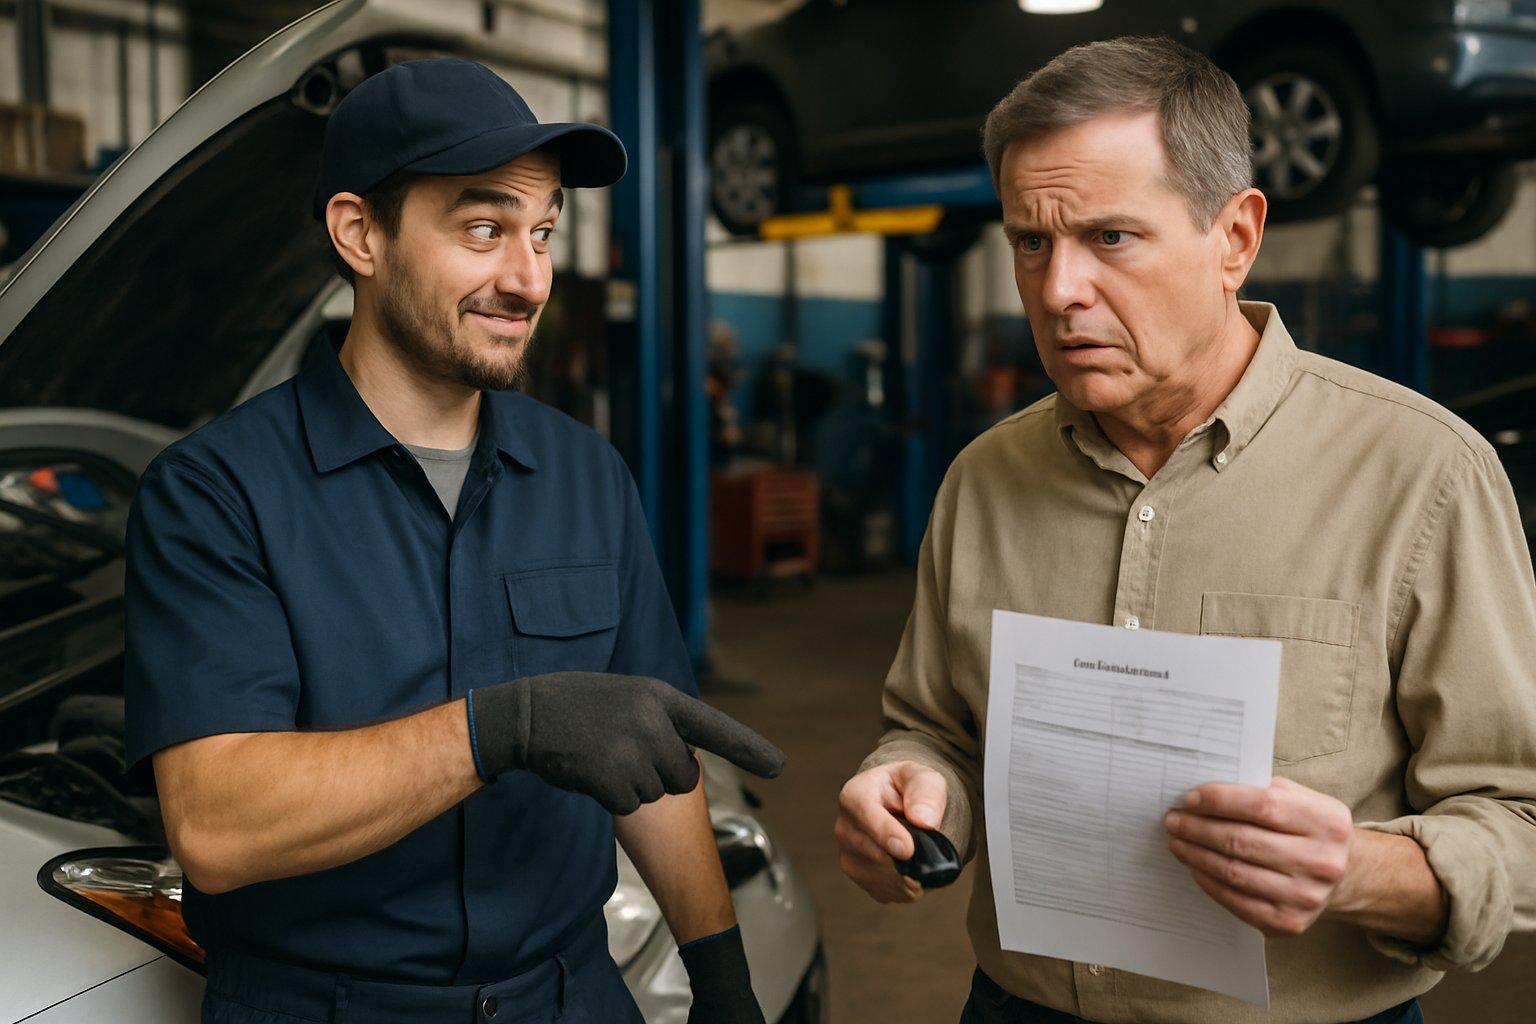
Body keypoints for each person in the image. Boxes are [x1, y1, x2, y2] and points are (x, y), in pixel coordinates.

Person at [834, 36, 1536, 1024]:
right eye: (1031, 242)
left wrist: (1360, 870)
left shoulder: (1420, 477)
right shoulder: (985, 479)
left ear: (1234, 237)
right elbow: (935, 724)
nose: (1059, 289)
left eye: (1110, 238)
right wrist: (906, 784)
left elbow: (1522, 816)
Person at [124, 58, 781, 1024]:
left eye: (544, 233)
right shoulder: (216, 495)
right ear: (361, 233)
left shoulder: (586, 477)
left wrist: (723, 978)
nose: (528, 279)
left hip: (569, 996)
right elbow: (217, 823)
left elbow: (649, 762)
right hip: (331, 1007)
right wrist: (499, 729)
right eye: (485, 229)